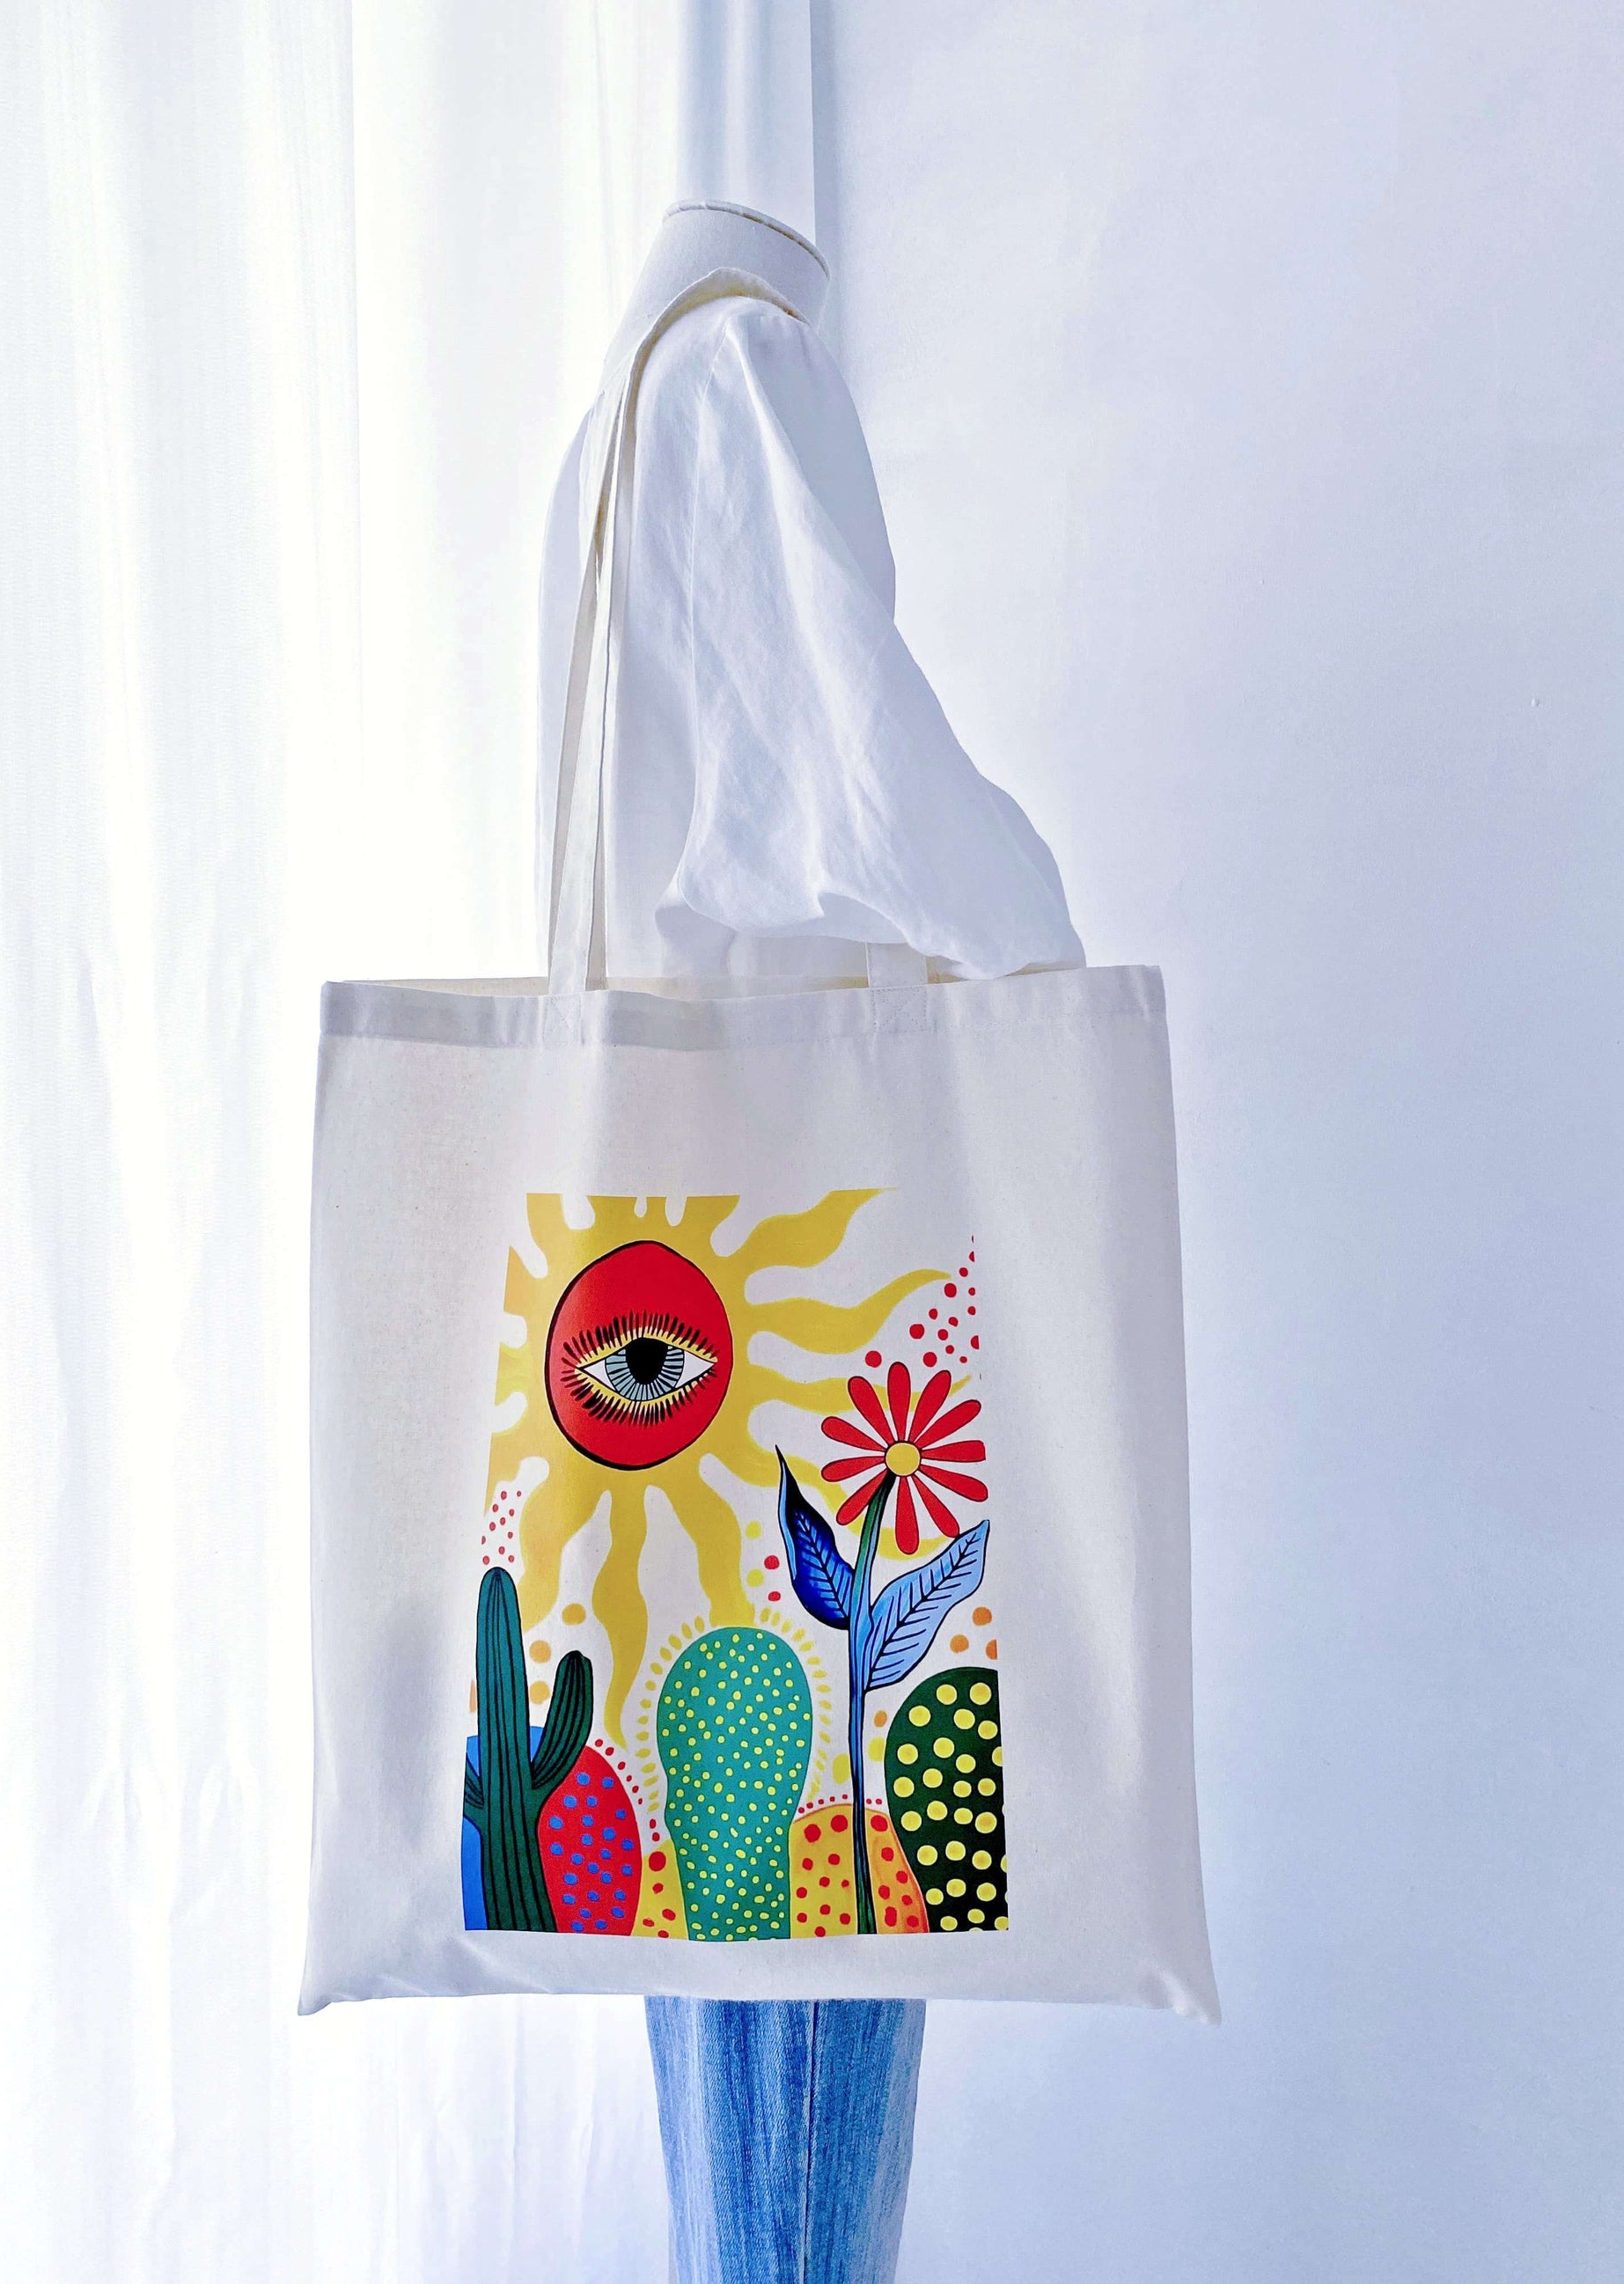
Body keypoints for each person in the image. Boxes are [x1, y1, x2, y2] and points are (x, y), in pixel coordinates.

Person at [536, 200, 1083, 2284]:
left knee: (731, 2013)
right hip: (800, 1340)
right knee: (797, 2097)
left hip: (694, 1353)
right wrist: (1045, 954)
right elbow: (862, 795)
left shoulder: (633, 396)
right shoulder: (741, 370)